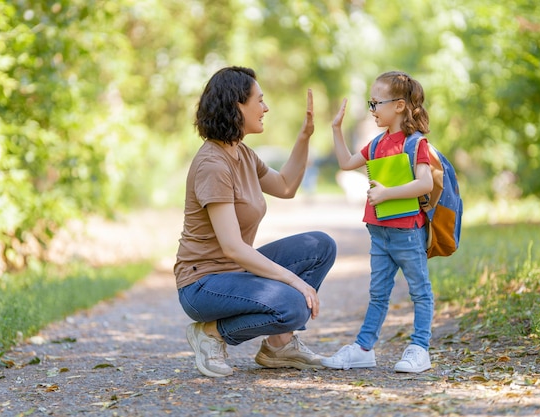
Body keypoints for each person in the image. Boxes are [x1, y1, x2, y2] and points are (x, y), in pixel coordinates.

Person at [174, 66, 337, 378]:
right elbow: (233, 247)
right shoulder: (213, 164)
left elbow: (286, 186)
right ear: (237, 105)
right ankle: (210, 333)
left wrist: (304, 137)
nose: (265, 108)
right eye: (259, 101)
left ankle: (279, 345)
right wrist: (294, 281)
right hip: (203, 285)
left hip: (234, 273)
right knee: (292, 304)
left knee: (320, 246)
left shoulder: (243, 154)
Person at [321, 71, 434, 373]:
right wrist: (336, 129)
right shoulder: (375, 144)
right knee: (378, 294)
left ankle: (419, 348)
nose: (372, 110)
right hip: (379, 232)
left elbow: (424, 184)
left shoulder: (414, 144)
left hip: (407, 232)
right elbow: (346, 163)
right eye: (369, 104)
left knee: (420, 291)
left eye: (375, 103)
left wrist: (387, 193)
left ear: (398, 105)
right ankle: (363, 348)